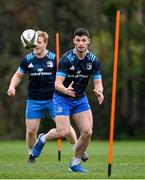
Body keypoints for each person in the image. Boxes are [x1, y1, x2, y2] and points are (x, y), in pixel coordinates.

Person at [7, 30, 87, 163]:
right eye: (34, 42)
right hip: (34, 99)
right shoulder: (27, 59)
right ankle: (32, 154)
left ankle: (77, 149)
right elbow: (18, 75)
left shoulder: (54, 58)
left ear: (45, 43)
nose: (36, 45)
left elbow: (64, 74)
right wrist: (12, 86)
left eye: (39, 42)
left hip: (54, 98)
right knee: (31, 130)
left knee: (66, 128)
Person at [53, 28, 104, 172]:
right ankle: (43, 138)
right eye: (78, 40)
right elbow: (57, 83)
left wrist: (99, 92)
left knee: (87, 132)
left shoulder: (94, 61)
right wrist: (65, 90)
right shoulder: (66, 59)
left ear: (88, 41)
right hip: (62, 98)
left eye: (84, 40)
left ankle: (74, 164)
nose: (81, 43)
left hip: (80, 99)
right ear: (74, 41)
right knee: (62, 132)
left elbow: (98, 83)